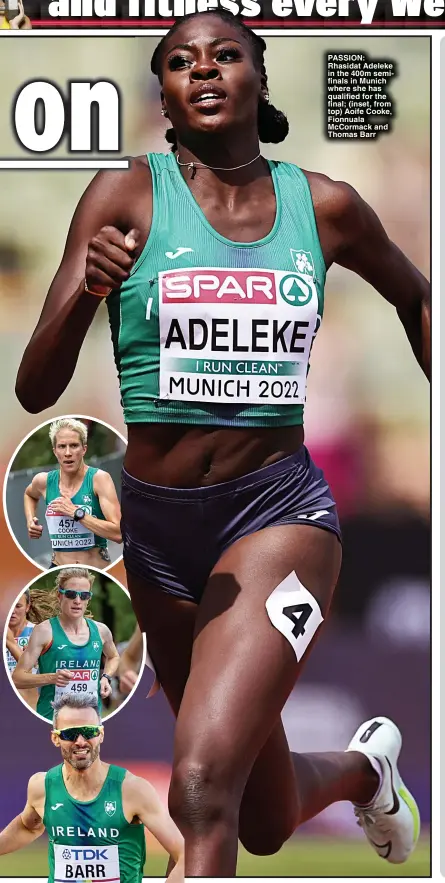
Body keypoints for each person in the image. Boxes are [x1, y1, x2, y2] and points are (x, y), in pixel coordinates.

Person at [16, 10, 430, 876]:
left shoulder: (324, 206)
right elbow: (34, 387)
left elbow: (414, 295)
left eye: (225, 54)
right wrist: (84, 291)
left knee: (200, 787)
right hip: (159, 534)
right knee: (262, 817)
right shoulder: (124, 194)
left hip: (278, 513)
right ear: (163, 94)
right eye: (179, 61)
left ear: (259, 78)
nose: (202, 69)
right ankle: (366, 768)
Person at [0, 694, 184, 882]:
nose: (80, 741)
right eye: (70, 734)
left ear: (101, 735)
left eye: (89, 732)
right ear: (55, 738)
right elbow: (28, 827)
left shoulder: (133, 790)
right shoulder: (42, 787)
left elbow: (184, 854)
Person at [12, 567, 120, 722]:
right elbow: (17, 678)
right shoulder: (44, 631)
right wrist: (52, 678)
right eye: (71, 594)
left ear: (89, 598)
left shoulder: (101, 631)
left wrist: (106, 678)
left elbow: (114, 656)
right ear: (59, 596)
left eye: (84, 595)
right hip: (52, 720)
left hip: (90, 720)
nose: (77, 601)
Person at [24, 417, 122, 570]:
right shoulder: (44, 481)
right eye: (62, 446)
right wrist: (31, 520)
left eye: (74, 446)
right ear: (55, 451)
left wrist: (77, 513)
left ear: (84, 449)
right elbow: (29, 494)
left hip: (96, 570)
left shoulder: (99, 479)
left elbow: (119, 534)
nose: (68, 453)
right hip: (57, 568)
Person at [5, 589, 38, 711]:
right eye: (9, 606)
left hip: (29, 701)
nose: (12, 611)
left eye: (18, 606)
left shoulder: (38, 632)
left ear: (27, 607)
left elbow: (33, 668)